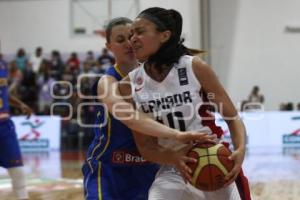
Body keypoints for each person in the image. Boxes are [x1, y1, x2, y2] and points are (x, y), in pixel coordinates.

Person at [117, 7, 251, 200]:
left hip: (212, 157)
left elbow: (232, 117)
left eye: (140, 32)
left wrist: (240, 150)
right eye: (131, 34)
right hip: (172, 167)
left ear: (164, 35)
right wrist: (173, 158)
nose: (133, 39)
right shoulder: (128, 85)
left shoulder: (194, 67)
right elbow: (146, 146)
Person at [83, 17, 215, 200]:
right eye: (120, 40)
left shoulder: (158, 75)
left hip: (149, 167)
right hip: (109, 169)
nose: (129, 43)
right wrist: (175, 135)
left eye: (131, 36)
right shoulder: (107, 81)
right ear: (109, 46)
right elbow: (129, 116)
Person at [0, 53, 33, 200]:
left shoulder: (2, 65)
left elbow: (4, 94)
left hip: (5, 126)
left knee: (18, 170)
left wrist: (20, 104)